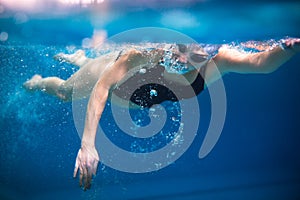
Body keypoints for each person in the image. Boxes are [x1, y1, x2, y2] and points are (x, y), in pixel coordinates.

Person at [23, 38, 300, 190]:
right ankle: (39, 81)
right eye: (178, 51)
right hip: (114, 76)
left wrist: (290, 48)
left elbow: (261, 63)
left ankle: (80, 59)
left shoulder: (218, 60)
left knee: (89, 68)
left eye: (192, 55)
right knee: (65, 92)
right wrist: (88, 144)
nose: (181, 60)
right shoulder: (144, 54)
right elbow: (102, 87)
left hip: (135, 98)